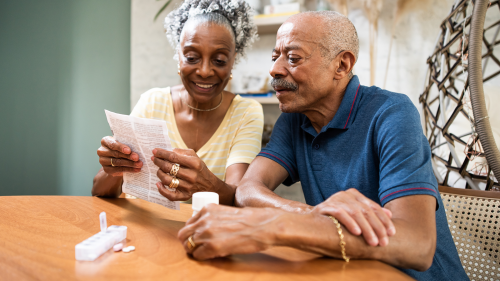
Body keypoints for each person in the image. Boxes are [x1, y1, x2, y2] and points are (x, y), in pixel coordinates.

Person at [177, 11, 468, 280]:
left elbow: (416, 245)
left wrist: (276, 225)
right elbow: (248, 189)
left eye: (293, 58)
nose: (275, 70)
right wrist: (311, 214)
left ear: (341, 65)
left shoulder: (392, 113)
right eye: (275, 56)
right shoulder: (294, 119)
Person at [92, 0, 263, 206]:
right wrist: (115, 166)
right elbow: (98, 191)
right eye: (192, 57)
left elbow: (238, 198)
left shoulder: (246, 113)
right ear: (178, 56)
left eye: (219, 60)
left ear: (233, 60)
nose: (205, 71)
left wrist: (205, 184)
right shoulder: (153, 102)